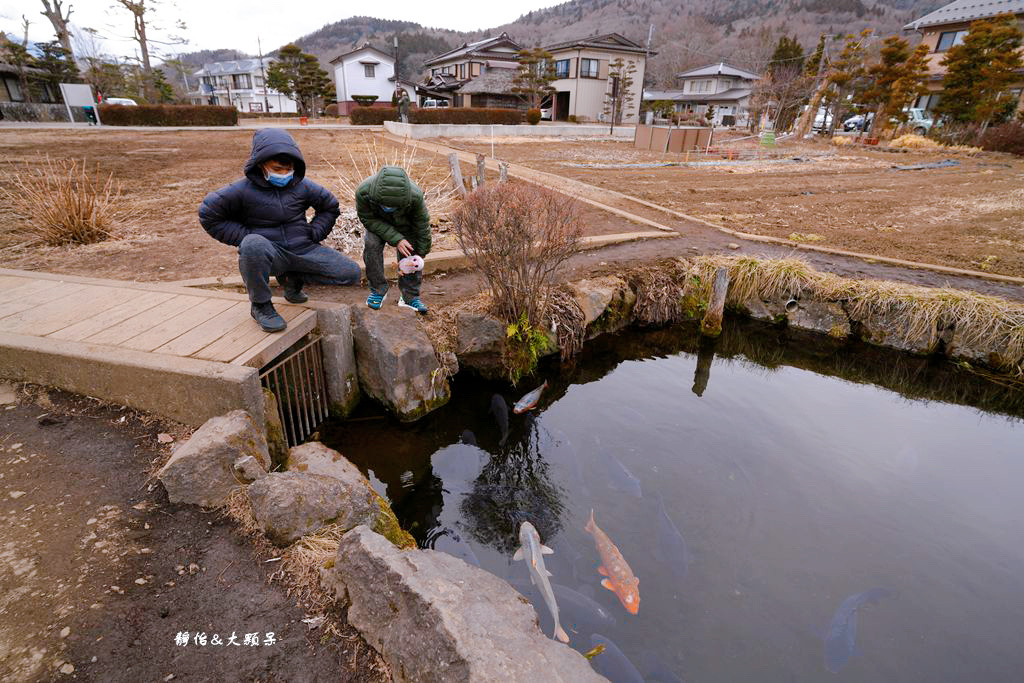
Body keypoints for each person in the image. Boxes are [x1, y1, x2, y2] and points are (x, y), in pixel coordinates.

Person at [199, 129, 360, 332]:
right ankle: (261, 306)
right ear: (261, 164)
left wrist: (315, 232)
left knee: (350, 273)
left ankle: (293, 278)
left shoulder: (303, 186)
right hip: (270, 253)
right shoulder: (241, 190)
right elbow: (208, 214)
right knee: (252, 245)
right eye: (277, 169)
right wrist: (245, 237)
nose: (284, 174)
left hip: (303, 249)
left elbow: (329, 206)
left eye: (288, 169)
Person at [356, 165, 431, 314]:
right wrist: (396, 239)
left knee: (411, 249)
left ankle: (409, 296)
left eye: (393, 206)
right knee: (371, 244)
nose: (389, 207)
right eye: (385, 204)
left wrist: (419, 255)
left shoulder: (414, 196)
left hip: (406, 225)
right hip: (377, 223)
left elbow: (422, 225)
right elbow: (368, 219)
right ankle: (378, 290)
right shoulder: (364, 192)